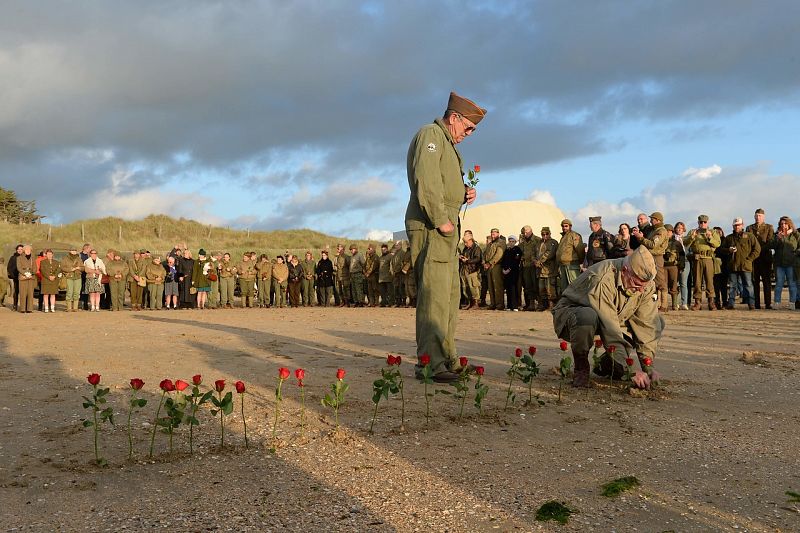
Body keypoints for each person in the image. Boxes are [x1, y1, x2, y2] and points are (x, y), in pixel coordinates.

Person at [405, 91, 484, 382]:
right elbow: (426, 181)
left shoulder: (446, 143)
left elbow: (442, 183)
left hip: (445, 225)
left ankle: (447, 360)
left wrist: (463, 193)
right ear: (454, 118)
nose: (469, 134)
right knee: (434, 297)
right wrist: (441, 220)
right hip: (432, 225)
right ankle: (431, 364)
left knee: (449, 296)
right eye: (468, 128)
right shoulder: (431, 135)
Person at [553, 246, 665, 389]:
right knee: (587, 316)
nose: (641, 290)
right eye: (637, 285)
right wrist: (629, 370)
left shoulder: (645, 284)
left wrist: (648, 366)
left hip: (612, 315)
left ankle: (608, 364)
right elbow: (610, 328)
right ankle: (581, 368)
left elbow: (646, 325)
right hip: (573, 314)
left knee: (657, 322)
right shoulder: (603, 279)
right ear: (624, 271)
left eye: (645, 286)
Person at [719, 218, 760, 310]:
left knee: (748, 285)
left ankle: (751, 304)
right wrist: (728, 250)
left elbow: (757, 249)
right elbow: (722, 249)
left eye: (738, 225)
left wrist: (749, 259)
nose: (737, 227)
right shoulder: (729, 238)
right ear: (733, 226)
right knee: (732, 286)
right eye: (735, 225)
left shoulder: (750, 236)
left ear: (742, 225)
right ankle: (731, 304)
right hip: (733, 265)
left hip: (746, 265)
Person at [633, 212, 669, 312]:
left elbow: (653, 244)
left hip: (657, 257)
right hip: (650, 257)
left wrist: (640, 238)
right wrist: (640, 237)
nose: (651, 221)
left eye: (652, 219)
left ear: (657, 220)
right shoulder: (654, 230)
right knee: (652, 281)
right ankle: (656, 304)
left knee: (660, 280)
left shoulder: (661, 231)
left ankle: (664, 304)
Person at [684, 215, 720, 310]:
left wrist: (710, 237)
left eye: (705, 222)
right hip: (697, 259)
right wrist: (692, 237)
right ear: (698, 223)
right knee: (697, 281)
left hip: (708, 258)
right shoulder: (693, 232)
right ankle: (697, 302)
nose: (703, 224)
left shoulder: (712, 232)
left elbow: (717, 244)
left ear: (708, 222)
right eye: (701, 222)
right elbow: (685, 243)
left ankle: (711, 302)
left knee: (709, 281)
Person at [747, 208, 775, 309]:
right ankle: (756, 303)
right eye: (756, 216)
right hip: (754, 259)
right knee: (755, 282)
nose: (758, 217)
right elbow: (748, 243)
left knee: (766, 282)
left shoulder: (769, 227)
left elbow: (770, 242)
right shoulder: (749, 228)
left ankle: (768, 303)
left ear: (763, 217)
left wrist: (758, 249)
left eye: (760, 216)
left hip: (765, 258)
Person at [771, 216, 798, 309]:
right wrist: (778, 238)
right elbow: (772, 245)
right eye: (782, 224)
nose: (783, 225)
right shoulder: (776, 235)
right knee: (779, 284)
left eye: (785, 223)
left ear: (789, 224)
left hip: (791, 263)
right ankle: (777, 303)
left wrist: (796, 253)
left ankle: (792, 303)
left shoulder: (795, 235)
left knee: (792, 284)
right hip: (779, 264)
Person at [556, 219, 584, 292]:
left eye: (566, 226)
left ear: (570, 226)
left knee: (574, 286)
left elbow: (580, 249)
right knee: (565, 287)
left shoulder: (574, 235)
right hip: (563, 265)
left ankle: (577, 299)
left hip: (572, 264)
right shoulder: (563, 237)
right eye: (563, 226)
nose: (564, 228)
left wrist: (581, 262)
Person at [535, 227, 559, 311]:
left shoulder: (553, 242)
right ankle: (543, 305)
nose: (545, 236)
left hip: (549, 270)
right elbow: (534, 253)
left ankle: (551, 305)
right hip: (540, 270)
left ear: (550, 233)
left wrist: (540, 261)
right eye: (543, 234)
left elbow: (550, 253)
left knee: (550, 289)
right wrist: (535, 261)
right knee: (541, 289)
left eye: (546, 234)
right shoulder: (539, 243)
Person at [518, 225, 541, 311]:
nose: (525, 234)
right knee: (528, 286)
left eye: (526, 232)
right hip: (526, 266)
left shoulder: (537, 240)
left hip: (535, 266)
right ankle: (531, 304)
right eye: (523, 233)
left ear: (531, 231)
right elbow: (519, 252)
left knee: (537, 285)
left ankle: (540, 303)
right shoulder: (522, 242)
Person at [458, 230, 482, 310]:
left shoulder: (476, 248)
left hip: (472, 271)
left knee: (474, 287)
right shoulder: (466, 248)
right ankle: (470, 303)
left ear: (471, 241)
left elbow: (478, 259)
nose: (465, 244)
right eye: (464, 242)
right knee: (466, 287)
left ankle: (476, 304)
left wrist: (468, 261)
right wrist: (461, 257)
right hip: (465, 270)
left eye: (466, 242)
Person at [483, 228, 505, 310]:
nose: (493, 234)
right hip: (488, 267)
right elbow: (485, 254)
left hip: (496, 266)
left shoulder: (501, 242)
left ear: (498, 233)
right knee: (490, 286)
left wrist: (490, 263)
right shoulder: (490, 244)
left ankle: (499, 304)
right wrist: (484, 262)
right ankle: (493, 304)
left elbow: (499, 255)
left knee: (497, 286)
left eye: (494, 233)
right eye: (492, 233)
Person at [662, 224, 683, 311]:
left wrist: (681, 266)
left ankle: (674, 304)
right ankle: (664, 304)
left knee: (674, 285)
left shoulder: (677, 243)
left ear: (672, 232)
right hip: (663, 266)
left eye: (669, 231)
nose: (667, 233)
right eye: (666, 231)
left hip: (674, 266)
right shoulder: (662, 242)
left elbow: (682, 255)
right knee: (664, 285)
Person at [673, 222, 691, 310]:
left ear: (684, 229)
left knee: (683, 283)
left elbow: (690, 250)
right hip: (674, 263)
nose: (679, 229)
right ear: (675, 229)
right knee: (675, 283)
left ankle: (684, 303)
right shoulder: (672, 239)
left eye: (681, 227)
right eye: (678, 227)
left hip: (685, 262)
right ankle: (675, 303)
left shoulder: (687, 239)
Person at [501, 235, 522, 311]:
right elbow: (503, 260)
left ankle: (515, 306)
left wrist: (509, 269)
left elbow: (516, 261)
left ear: (515, 242)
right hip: (506, 273)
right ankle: (509, 306)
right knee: (508, 289)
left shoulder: (517, 250)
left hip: (513, 272)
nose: (511, 243)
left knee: (514, 289)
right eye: (510, 241)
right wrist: (503, 269)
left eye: (513, 241)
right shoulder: (507, 250)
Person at [7, 244, 23, 311]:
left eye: (21, 249)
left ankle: (23, 306)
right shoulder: (13, 258)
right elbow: (9, 268)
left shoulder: (25, 257)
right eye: (18, 249)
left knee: (24, 292)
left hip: (24, 277)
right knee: (16, 292)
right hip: (16, 277)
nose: (20, 250)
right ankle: (15, 305)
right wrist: (13, 275)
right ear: (16, 250)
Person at [390, 241, 406, 307]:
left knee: (401, 288)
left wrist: (399, 270)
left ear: (400, 245)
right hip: (395, 273)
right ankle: (398, 302)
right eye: (395, 245)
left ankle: (403, 302)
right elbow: (393, 263)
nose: (396, 246)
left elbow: (402, 263)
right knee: (396, 288)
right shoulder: (395, 253)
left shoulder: (402, 253)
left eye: (397, 245)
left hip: (400, 273)